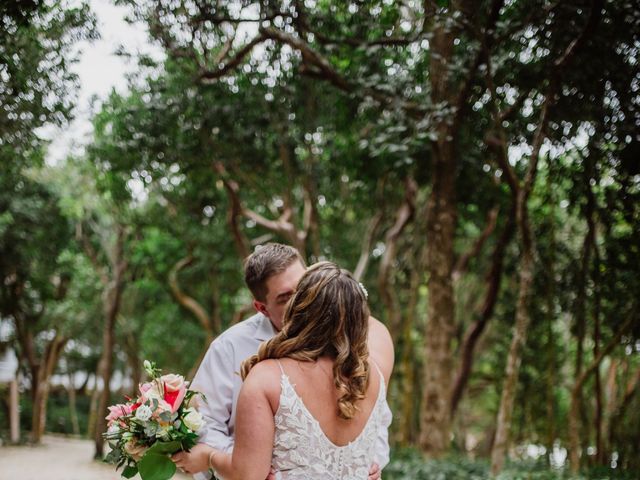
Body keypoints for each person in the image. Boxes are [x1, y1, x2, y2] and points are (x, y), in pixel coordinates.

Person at [176, 244, 393, 479]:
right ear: (261, 308)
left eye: (303, 288)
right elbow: (204, 423)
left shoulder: (357, 354)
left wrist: (368, 460)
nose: (301, 302)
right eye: (286, 297)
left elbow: (376, 417)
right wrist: (251, 459)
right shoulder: (228, 348)